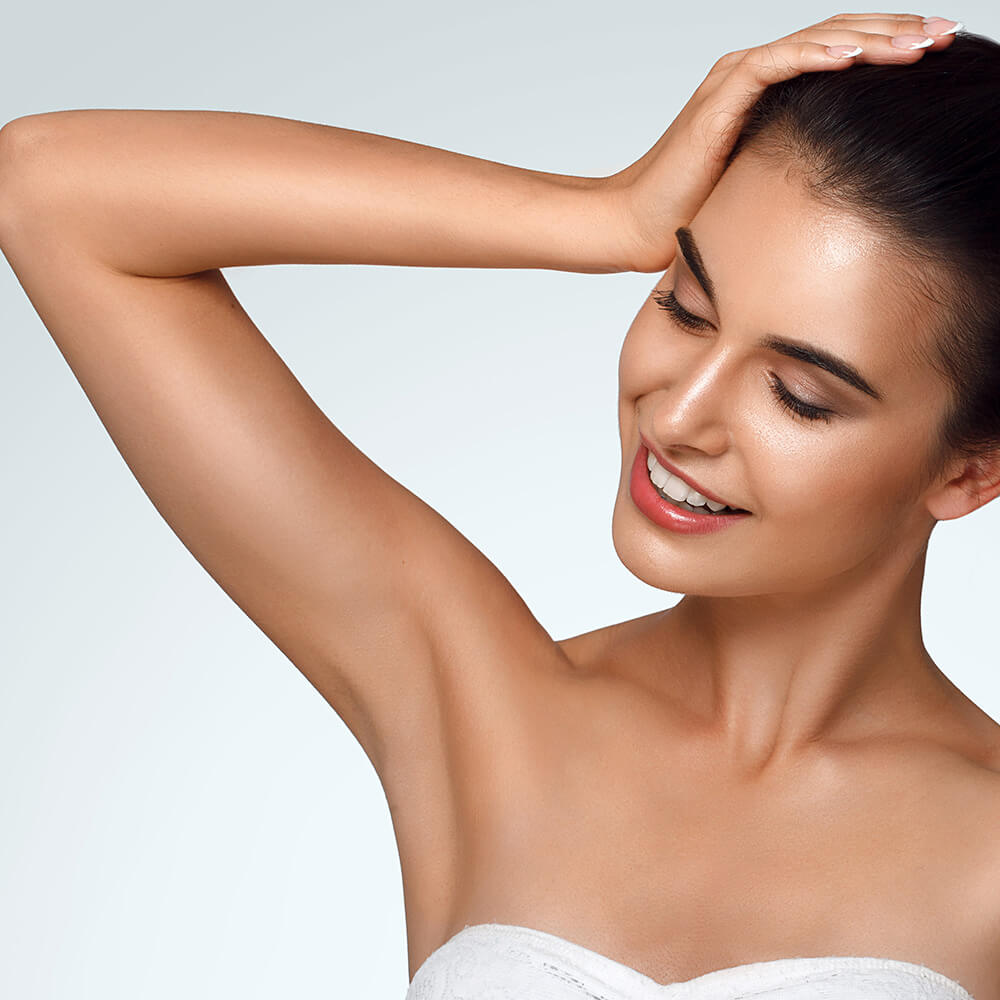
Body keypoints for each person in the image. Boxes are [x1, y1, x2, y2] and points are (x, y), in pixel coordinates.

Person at [0, 11, 996, 1000]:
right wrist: (605, 216)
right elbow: (50, 186)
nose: (680, 413)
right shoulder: (477, 703)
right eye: (684, 306)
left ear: (968, 472)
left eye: (798, 395)